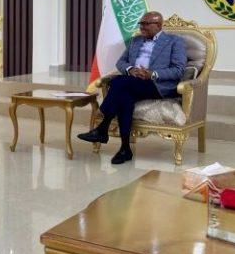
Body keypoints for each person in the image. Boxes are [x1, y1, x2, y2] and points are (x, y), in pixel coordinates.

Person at [77, 11, 187, 165]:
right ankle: (125, 149)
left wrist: (153, 74)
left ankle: (103, 128)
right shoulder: (136, 41)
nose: (142, 27)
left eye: (146, 24)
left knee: (118, 82)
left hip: (156, 84)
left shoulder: (174, 41)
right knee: (125, 97)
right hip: (132, 81)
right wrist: (130, 69)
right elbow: (121, 62)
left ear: (159, 25)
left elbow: (179, 70)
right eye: (141, 24)